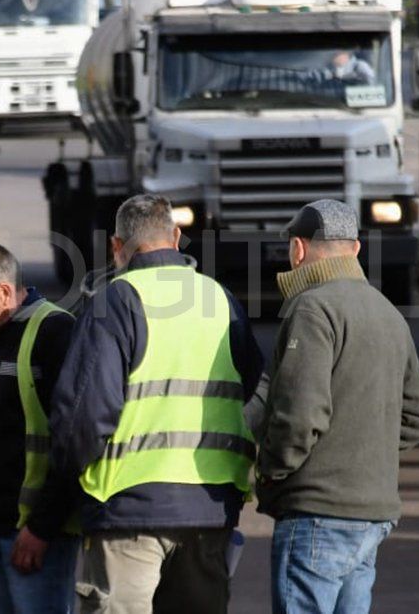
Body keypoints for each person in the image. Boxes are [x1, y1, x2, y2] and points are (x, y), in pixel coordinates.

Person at [49, 194, 265, 614]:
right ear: (177, 237)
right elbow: (260, 394)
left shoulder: (116, 300)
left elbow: (83, 416)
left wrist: (68, 479)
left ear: (117, 246)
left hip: (129, 509)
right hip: (210, 507)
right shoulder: (220, 299)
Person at [256, 199, 419, 614]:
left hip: (316, 514)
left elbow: (300, 417)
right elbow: (418, 417)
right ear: (355, 250)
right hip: (372, 516)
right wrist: (361, 451)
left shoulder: (312, 308)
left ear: (297, 250)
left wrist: (269, 469)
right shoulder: (388, 313)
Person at [0, 241, 79, 614]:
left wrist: (41, 528)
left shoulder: (55, 334)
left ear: (3, 293)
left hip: (32, 535)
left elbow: (72, 442)